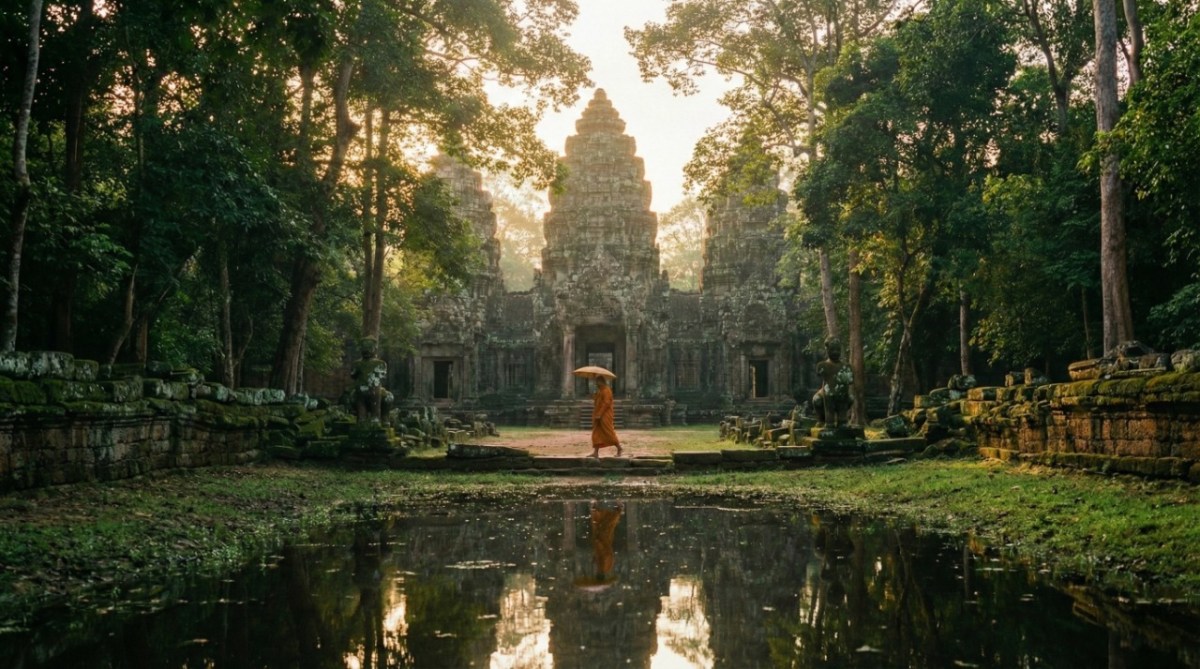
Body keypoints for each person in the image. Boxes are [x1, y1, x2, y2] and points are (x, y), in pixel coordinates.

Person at [589, 376, 623, 458]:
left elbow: (606, 404)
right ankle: (595, 452)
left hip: (605, 414)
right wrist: (595, 396)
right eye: (596, 381)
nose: (596, 383)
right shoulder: (600, 391)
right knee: (596, 432)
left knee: (608, 431)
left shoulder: (607, 390)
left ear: (602, 382)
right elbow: (597, 402)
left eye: (598, 381)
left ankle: (619, 448)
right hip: (598, 413)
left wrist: (600, 414)